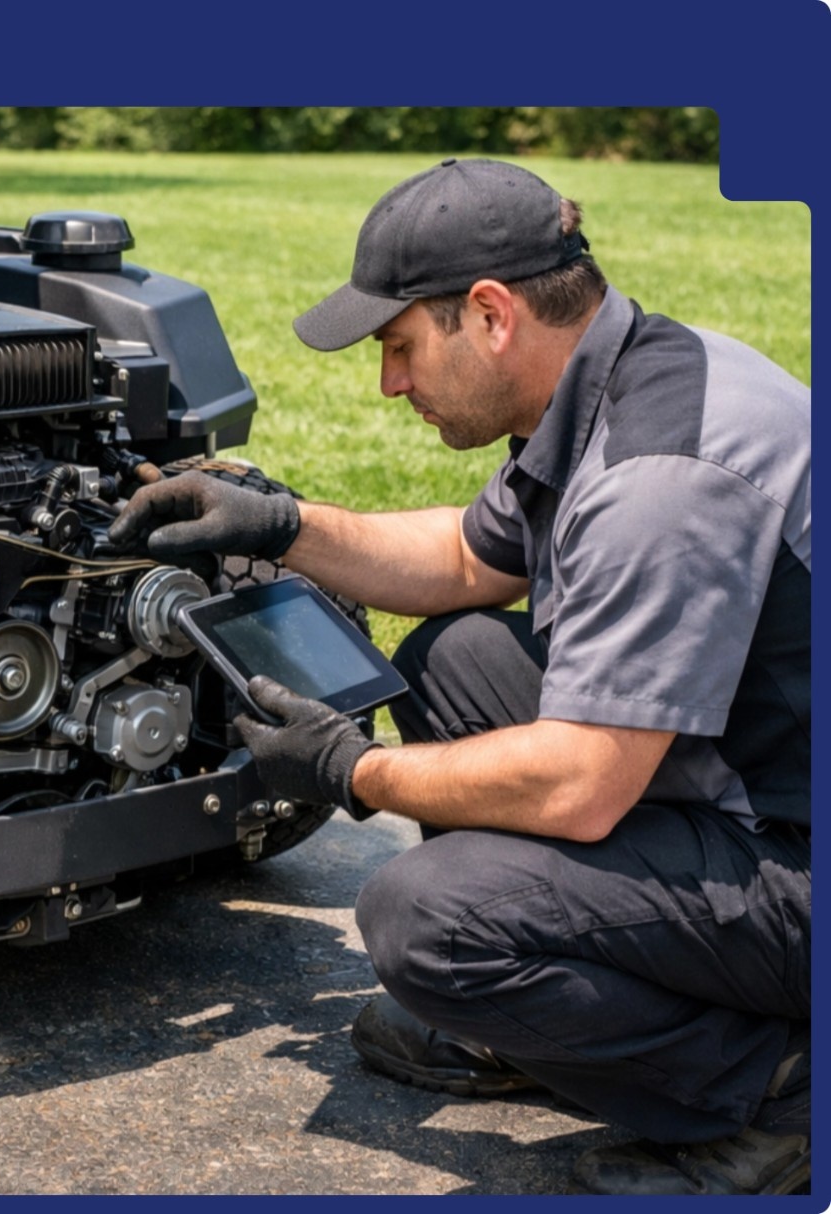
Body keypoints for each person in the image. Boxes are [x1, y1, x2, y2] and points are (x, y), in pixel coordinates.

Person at [107, 158, 810, 1196]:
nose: (392, 383)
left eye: (399, 346)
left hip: (796, 868)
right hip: (756, 785)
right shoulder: (632, 374)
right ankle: (570, 1020)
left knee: (425, 917)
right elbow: (467, 562)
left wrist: (353, 770)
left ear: (490, 314)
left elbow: (582, 782)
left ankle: (775, 1091)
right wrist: (281, 523)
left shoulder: (660, 477)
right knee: (457, 654)